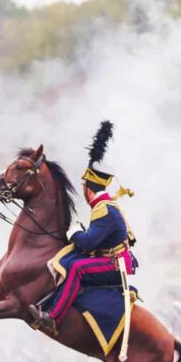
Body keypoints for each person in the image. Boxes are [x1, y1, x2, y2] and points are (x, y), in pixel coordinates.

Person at [29, 122, 137, 336]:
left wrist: (74, 232)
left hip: (115, 266)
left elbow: (88, 242)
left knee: (78, 268)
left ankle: (53, 316)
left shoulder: (104, 209)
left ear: (88, 189)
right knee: (71, 260)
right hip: (110, 260)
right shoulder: (104, 206)